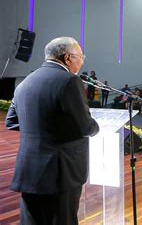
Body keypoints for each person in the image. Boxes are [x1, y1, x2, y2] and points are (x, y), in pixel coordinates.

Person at [5, 37, 99, 225]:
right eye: (81, 56)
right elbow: (86, 127)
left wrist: (45, 127)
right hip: (60, 172)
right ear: (68, 58)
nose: (82, 61)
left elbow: (12, 121)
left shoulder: (25, 82)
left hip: (29, 170)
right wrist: (96, 125)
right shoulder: (69, 81)